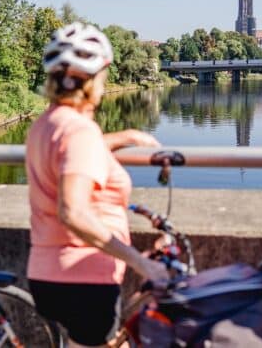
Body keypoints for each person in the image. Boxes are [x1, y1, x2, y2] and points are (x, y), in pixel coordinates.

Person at [26, 22, 168, 348]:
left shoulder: (44, 125)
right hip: (84, 280)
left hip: (47, 275)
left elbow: (67, 157)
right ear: (94, 80)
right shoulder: (79, 131)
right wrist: (140, 262)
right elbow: (73, 212)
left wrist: (125, 137)